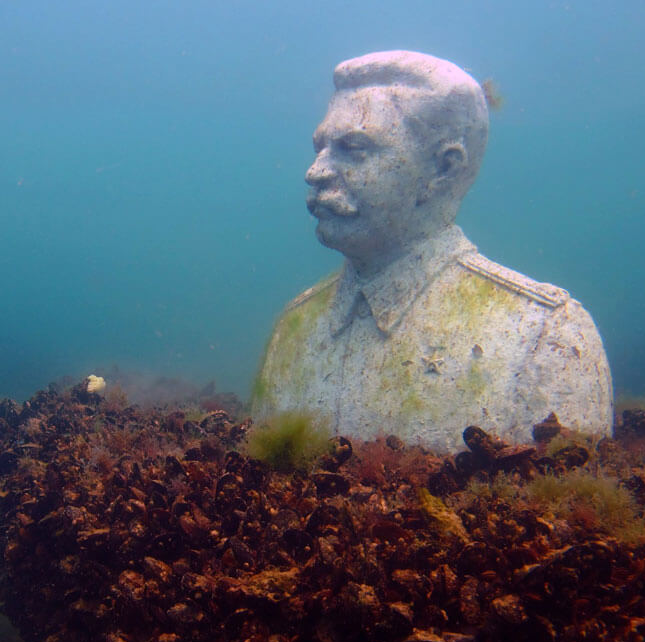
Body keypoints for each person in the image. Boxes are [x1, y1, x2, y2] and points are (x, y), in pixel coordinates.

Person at [252, 50, 613, 453]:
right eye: (320, 147)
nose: (315, 172)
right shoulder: (293, 331)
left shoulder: (543, 336)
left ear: (443, 169)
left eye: (354, 149)